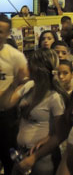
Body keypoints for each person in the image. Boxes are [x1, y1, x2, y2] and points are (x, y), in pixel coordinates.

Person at [0, 48, 68, 175]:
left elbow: (60, 134)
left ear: (39, 68)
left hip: (43, 158)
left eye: (30, 63)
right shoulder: (29, 86)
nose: (27, 66)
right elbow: (5, 104)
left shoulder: (54, 97)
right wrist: (15, 82)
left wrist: (34, 157)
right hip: (21, 153)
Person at [0, 14, 28, 175]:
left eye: (0, 32)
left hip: (6, 117)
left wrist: (11, 95)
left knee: (8, 159)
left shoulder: (15, 56)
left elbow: (25, 82)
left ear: (8, 33)